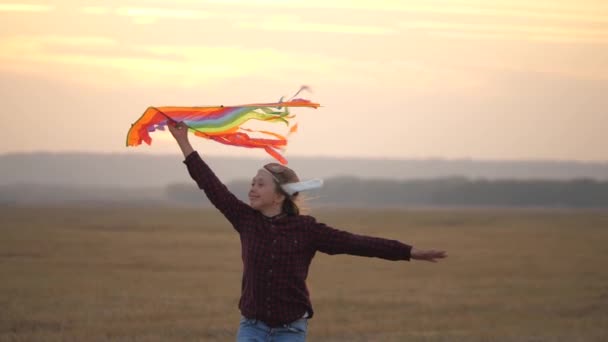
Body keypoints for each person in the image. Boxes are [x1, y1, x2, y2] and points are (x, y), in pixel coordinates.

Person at [168, 121, 447, 342]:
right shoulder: (245, 220)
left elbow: (358, 243)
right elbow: (211, 185)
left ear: (279, 195)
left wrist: (409, 252)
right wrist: (183, 141)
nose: (252, 188)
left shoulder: (307, 230)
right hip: (251, 328)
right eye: (252, 182)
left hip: (291, 331)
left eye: (260, 184)